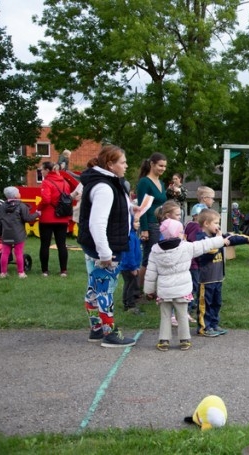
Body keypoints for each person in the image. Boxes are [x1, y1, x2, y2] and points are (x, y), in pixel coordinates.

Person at [77, 145, 137, 347]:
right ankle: (109, 333)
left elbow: (110, 214)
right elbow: (97, 223)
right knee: (105, 290)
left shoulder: (107, 183)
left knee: (94, 288)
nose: (126, 165)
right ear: (110, 165)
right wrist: (105, 254)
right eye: (123, 162)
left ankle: (96, 329)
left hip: (100, 246)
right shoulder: (104, 187)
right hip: (106, 248)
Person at [144, 218, 228, 351]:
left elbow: (150, 272)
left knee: (165, 316)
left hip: (164, 291)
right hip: (182, 290)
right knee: (182, 315)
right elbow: (204, 245)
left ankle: (164, 340)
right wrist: (220, 240)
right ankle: (184, 340)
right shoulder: (186, 247)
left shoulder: (155, 250)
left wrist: (148, 290)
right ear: (178, 233)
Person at [194, 209, 249, 337]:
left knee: (216, 303)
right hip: (206, 279)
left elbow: (234, 238)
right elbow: (210, 250)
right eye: (215, 223)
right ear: (206, 224)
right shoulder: (201, 238)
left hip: (218, 278)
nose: (218, 226)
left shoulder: (218, 237)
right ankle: (204, 327)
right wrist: (219, 239)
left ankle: (214, 325)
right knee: (205, 305)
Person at [136, 152, 168, 288]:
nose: (163, 169)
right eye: (160, 165)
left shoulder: (161, 182)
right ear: (152, 164)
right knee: (148, 259)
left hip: (160, 224)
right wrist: (144, 229)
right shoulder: (144, 182)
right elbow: (141, 207)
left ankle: (151, 287)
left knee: (157, 258)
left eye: (165, 166)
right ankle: (138, 289)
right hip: (150, 223)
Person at [185, 186, 216, 316]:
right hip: (194, 262)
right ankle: (190, 304)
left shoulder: (195, 225)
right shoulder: (196, 227)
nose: (213, 201)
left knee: (196, 282)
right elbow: (194, 243)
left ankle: (193, 303)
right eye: (212, 198)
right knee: (194, 283)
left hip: (197, 261)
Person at [38, 161, 72, 277]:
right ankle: (63, 270)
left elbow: (46, 200)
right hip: (62, 217)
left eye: (42, 170)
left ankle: (45, 270)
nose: (41, 172)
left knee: (45, 244)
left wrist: (39, 208)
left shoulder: (46, 182)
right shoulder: (64, 182)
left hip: (48, 217)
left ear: (47, 170)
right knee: (62, 245)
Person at [0, 187, 39, 278]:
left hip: (6, 234)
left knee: (4, 253)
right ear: (16, 195)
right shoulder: (21, 206)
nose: (19, 193)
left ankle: (3, 273)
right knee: (19, 253)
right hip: (18, 234)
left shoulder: (2, 207)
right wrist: (37, 214)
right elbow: (27, 218)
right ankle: (21, 273)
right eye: (18, 192)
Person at [118, 216, 143, 315]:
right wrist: (133, 267)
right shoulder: (130, 237)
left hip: (128, 266)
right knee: (132, 286)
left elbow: (135, 246)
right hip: (130, 266)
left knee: (128, 284)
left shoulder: (132, 235)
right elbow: (129, 253)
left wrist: (141, 240)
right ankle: (131, 305)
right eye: (136, 222)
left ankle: (126, 303)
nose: (138, 224)